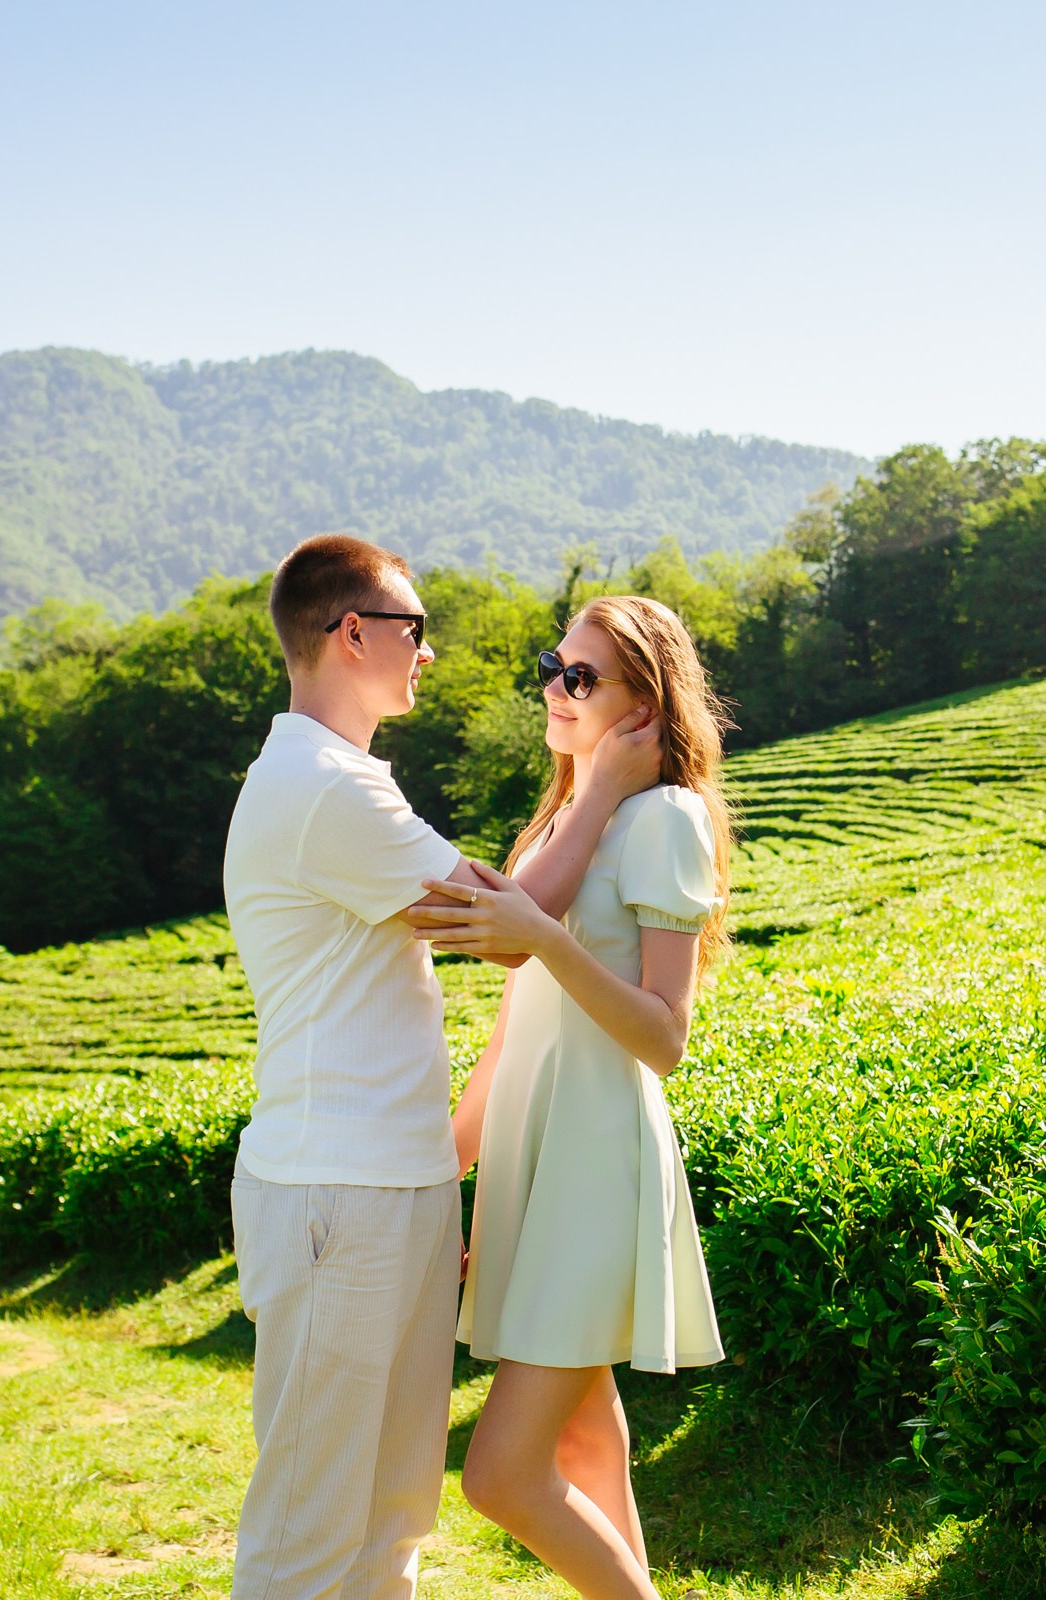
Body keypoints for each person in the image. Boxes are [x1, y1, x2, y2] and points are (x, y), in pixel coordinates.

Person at [221, 535, 663, 1600]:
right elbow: (506, 928)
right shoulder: (327, 789)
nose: (427, 651)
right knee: (310, 1526)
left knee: (387, 1521)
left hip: (387, 1185)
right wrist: (599, 790)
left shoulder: (341, 780)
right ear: (354, 632)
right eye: (414, 629)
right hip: (340, 1193)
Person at [405, 595, 732, 1600]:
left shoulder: (663, 818)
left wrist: (549, 938)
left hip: (593, 1167)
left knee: (501, 1475)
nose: (555, 686)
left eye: (582, 677)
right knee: (587, 1447)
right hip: (534, 1164)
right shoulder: (561, 821)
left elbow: (663, 1037)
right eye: (555, 665)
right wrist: (431, 1173)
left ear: (645, 705)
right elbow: (512, 1032)